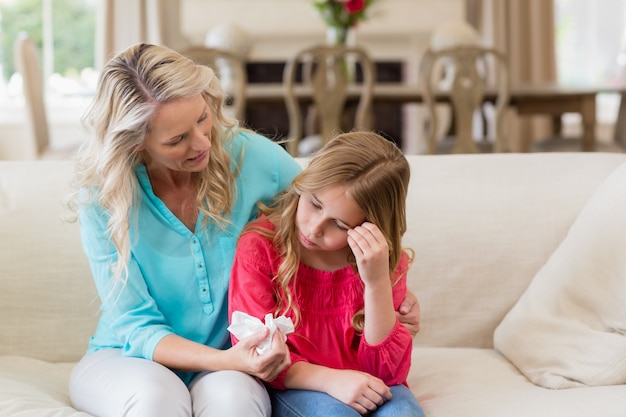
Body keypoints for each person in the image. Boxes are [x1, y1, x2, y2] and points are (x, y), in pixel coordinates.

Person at [64, 43, 421, 417]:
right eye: (176, 139)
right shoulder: (104, 197)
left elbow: (333, 204)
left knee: (234, 401)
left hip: (236, 357)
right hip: (128, 357)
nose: (203, 142)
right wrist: (231, 360)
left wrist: (390, 289)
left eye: (203, 118)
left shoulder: (252, 155)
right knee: (157, 398)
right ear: (135, 143)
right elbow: (136, 329)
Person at [229, 132, 425, 417]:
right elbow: (259, 355)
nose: (314, 228)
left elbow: (387, 372)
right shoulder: (261, 248)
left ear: (371, 226)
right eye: (315, 204)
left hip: (372, 382)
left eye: (340, 224)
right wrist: (333, 380)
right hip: (298, 384)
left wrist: (376, 283)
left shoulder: (381, 262)